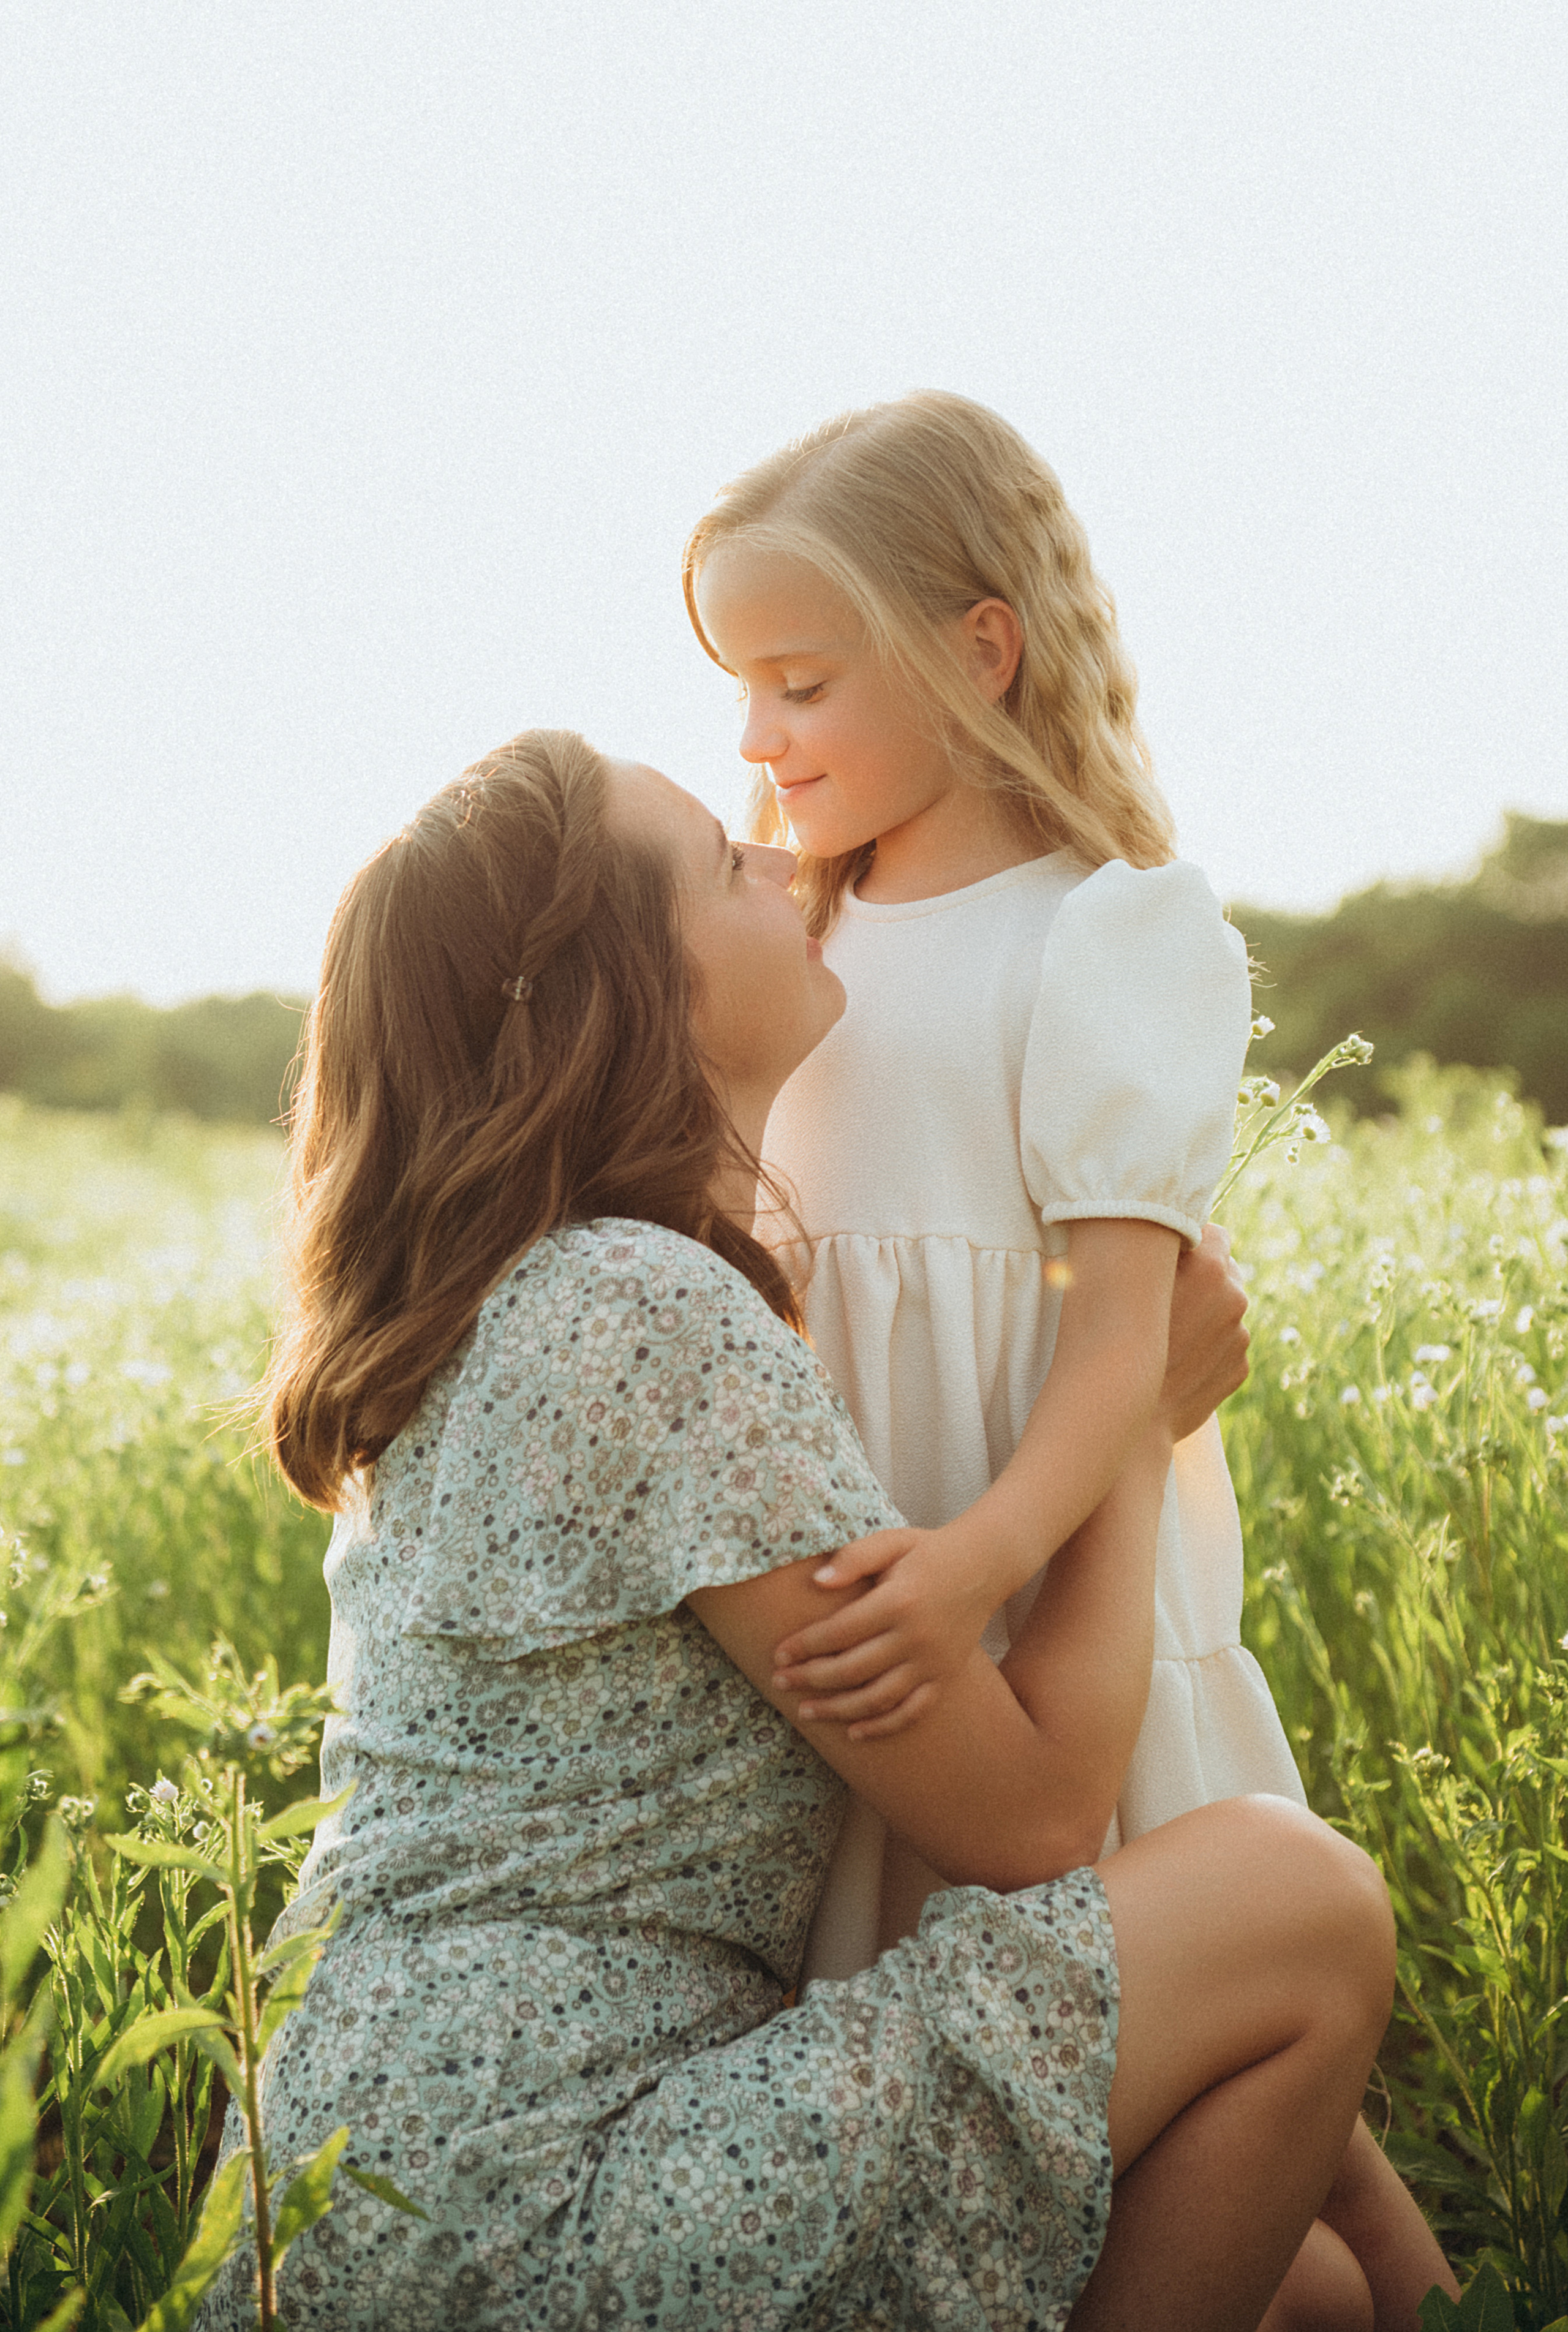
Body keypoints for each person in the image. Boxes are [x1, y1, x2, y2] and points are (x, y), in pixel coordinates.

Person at [198, 728, 1396, 2332]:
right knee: (1299, 1904)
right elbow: (1035, 1812)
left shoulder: (508, 1302)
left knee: (1306, 2296)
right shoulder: (636, 1310)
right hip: (533, 2204)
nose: (785, 858)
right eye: (723, 862)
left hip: (358, 2193)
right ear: (633, 991)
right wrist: (1128, 1414)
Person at [682, 394, 1457, 2331]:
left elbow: (1130, 1339)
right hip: (860, 1591)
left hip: (1036, 1571)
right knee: (993, 2087)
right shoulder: (790, 924)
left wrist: (981, 1559)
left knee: (1184, 2021)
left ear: (981, 650)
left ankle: (1426, 2284)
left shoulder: (1108, 933)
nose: (756, 738)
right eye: (738, 689)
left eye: (799, 683)